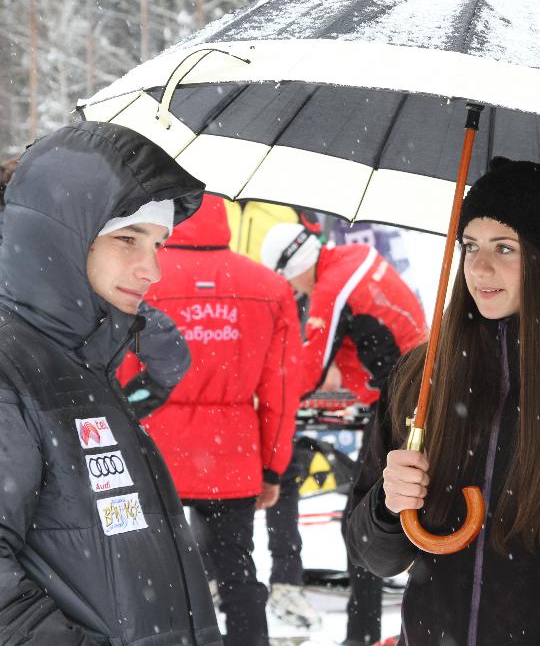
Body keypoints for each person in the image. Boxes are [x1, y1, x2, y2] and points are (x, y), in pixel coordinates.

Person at [343, 157, 540, 645]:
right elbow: (372, 556)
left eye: (505, 248)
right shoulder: (422, 376)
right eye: (470, 245)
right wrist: (388, 507)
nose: (479, 267)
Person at [0, 121, 221, 645]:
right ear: (59, 235)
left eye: (158, 244)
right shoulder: (13, 370)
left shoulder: (86, 360)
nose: (152, 270)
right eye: (127, 239)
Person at [118, 194, 302, 646]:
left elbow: (120, 376)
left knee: (151, 578)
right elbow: (280, 392)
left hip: (153, 452)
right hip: (231, 453)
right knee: (238, 574)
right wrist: (272, 467)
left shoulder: (142, 278)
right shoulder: (269, 287)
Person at [260, 223, 428, 641]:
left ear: (294, 267)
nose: (293, 290)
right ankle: (369, 630)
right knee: (384, 518)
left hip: (402, 400)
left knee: (361, 524)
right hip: (414, 383)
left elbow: (312, 369)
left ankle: (363, 634)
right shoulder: (352, 257)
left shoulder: (331, 288)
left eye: (289, 281)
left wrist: (269, 396)